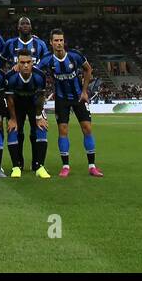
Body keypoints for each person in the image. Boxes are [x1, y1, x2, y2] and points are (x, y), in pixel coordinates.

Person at [38, 30, 103, 177]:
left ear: (64, 41)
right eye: (56, 40)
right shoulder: (47, 59)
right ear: (51, 42)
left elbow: (88, 69)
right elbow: (35, 71)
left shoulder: (75, 55)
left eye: (61, 40)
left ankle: (92, 166)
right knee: (63, 130)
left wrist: (85, 91)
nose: (59, 43)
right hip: (61, 99)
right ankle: (65, 166)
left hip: (78, 97)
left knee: (87, 128)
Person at [4, 53, 51, 178]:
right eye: (22, 62)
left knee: (40, 129)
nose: (25, 65)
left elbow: (41, 97)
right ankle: (16, 166)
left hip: (34, 106)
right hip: (16, 106)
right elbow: (9, 99)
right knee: (13, 130)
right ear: (17, 63)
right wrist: (13, 119)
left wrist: (38, 117)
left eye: (28, 62)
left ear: (32, 63)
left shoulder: (40, 76)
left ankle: (39, 166)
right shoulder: (10, 76)